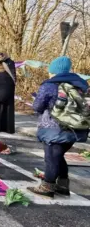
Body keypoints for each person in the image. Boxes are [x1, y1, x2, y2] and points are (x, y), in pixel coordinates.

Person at [27, 56, 89, 198]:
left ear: (53, 71)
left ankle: (47, 187)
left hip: (54, 128)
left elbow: (38, 106)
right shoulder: (81, 84)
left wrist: (37, 100)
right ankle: (62, 185)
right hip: (77, 128)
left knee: (51, 158)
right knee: (59, 156)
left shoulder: (49, 85)